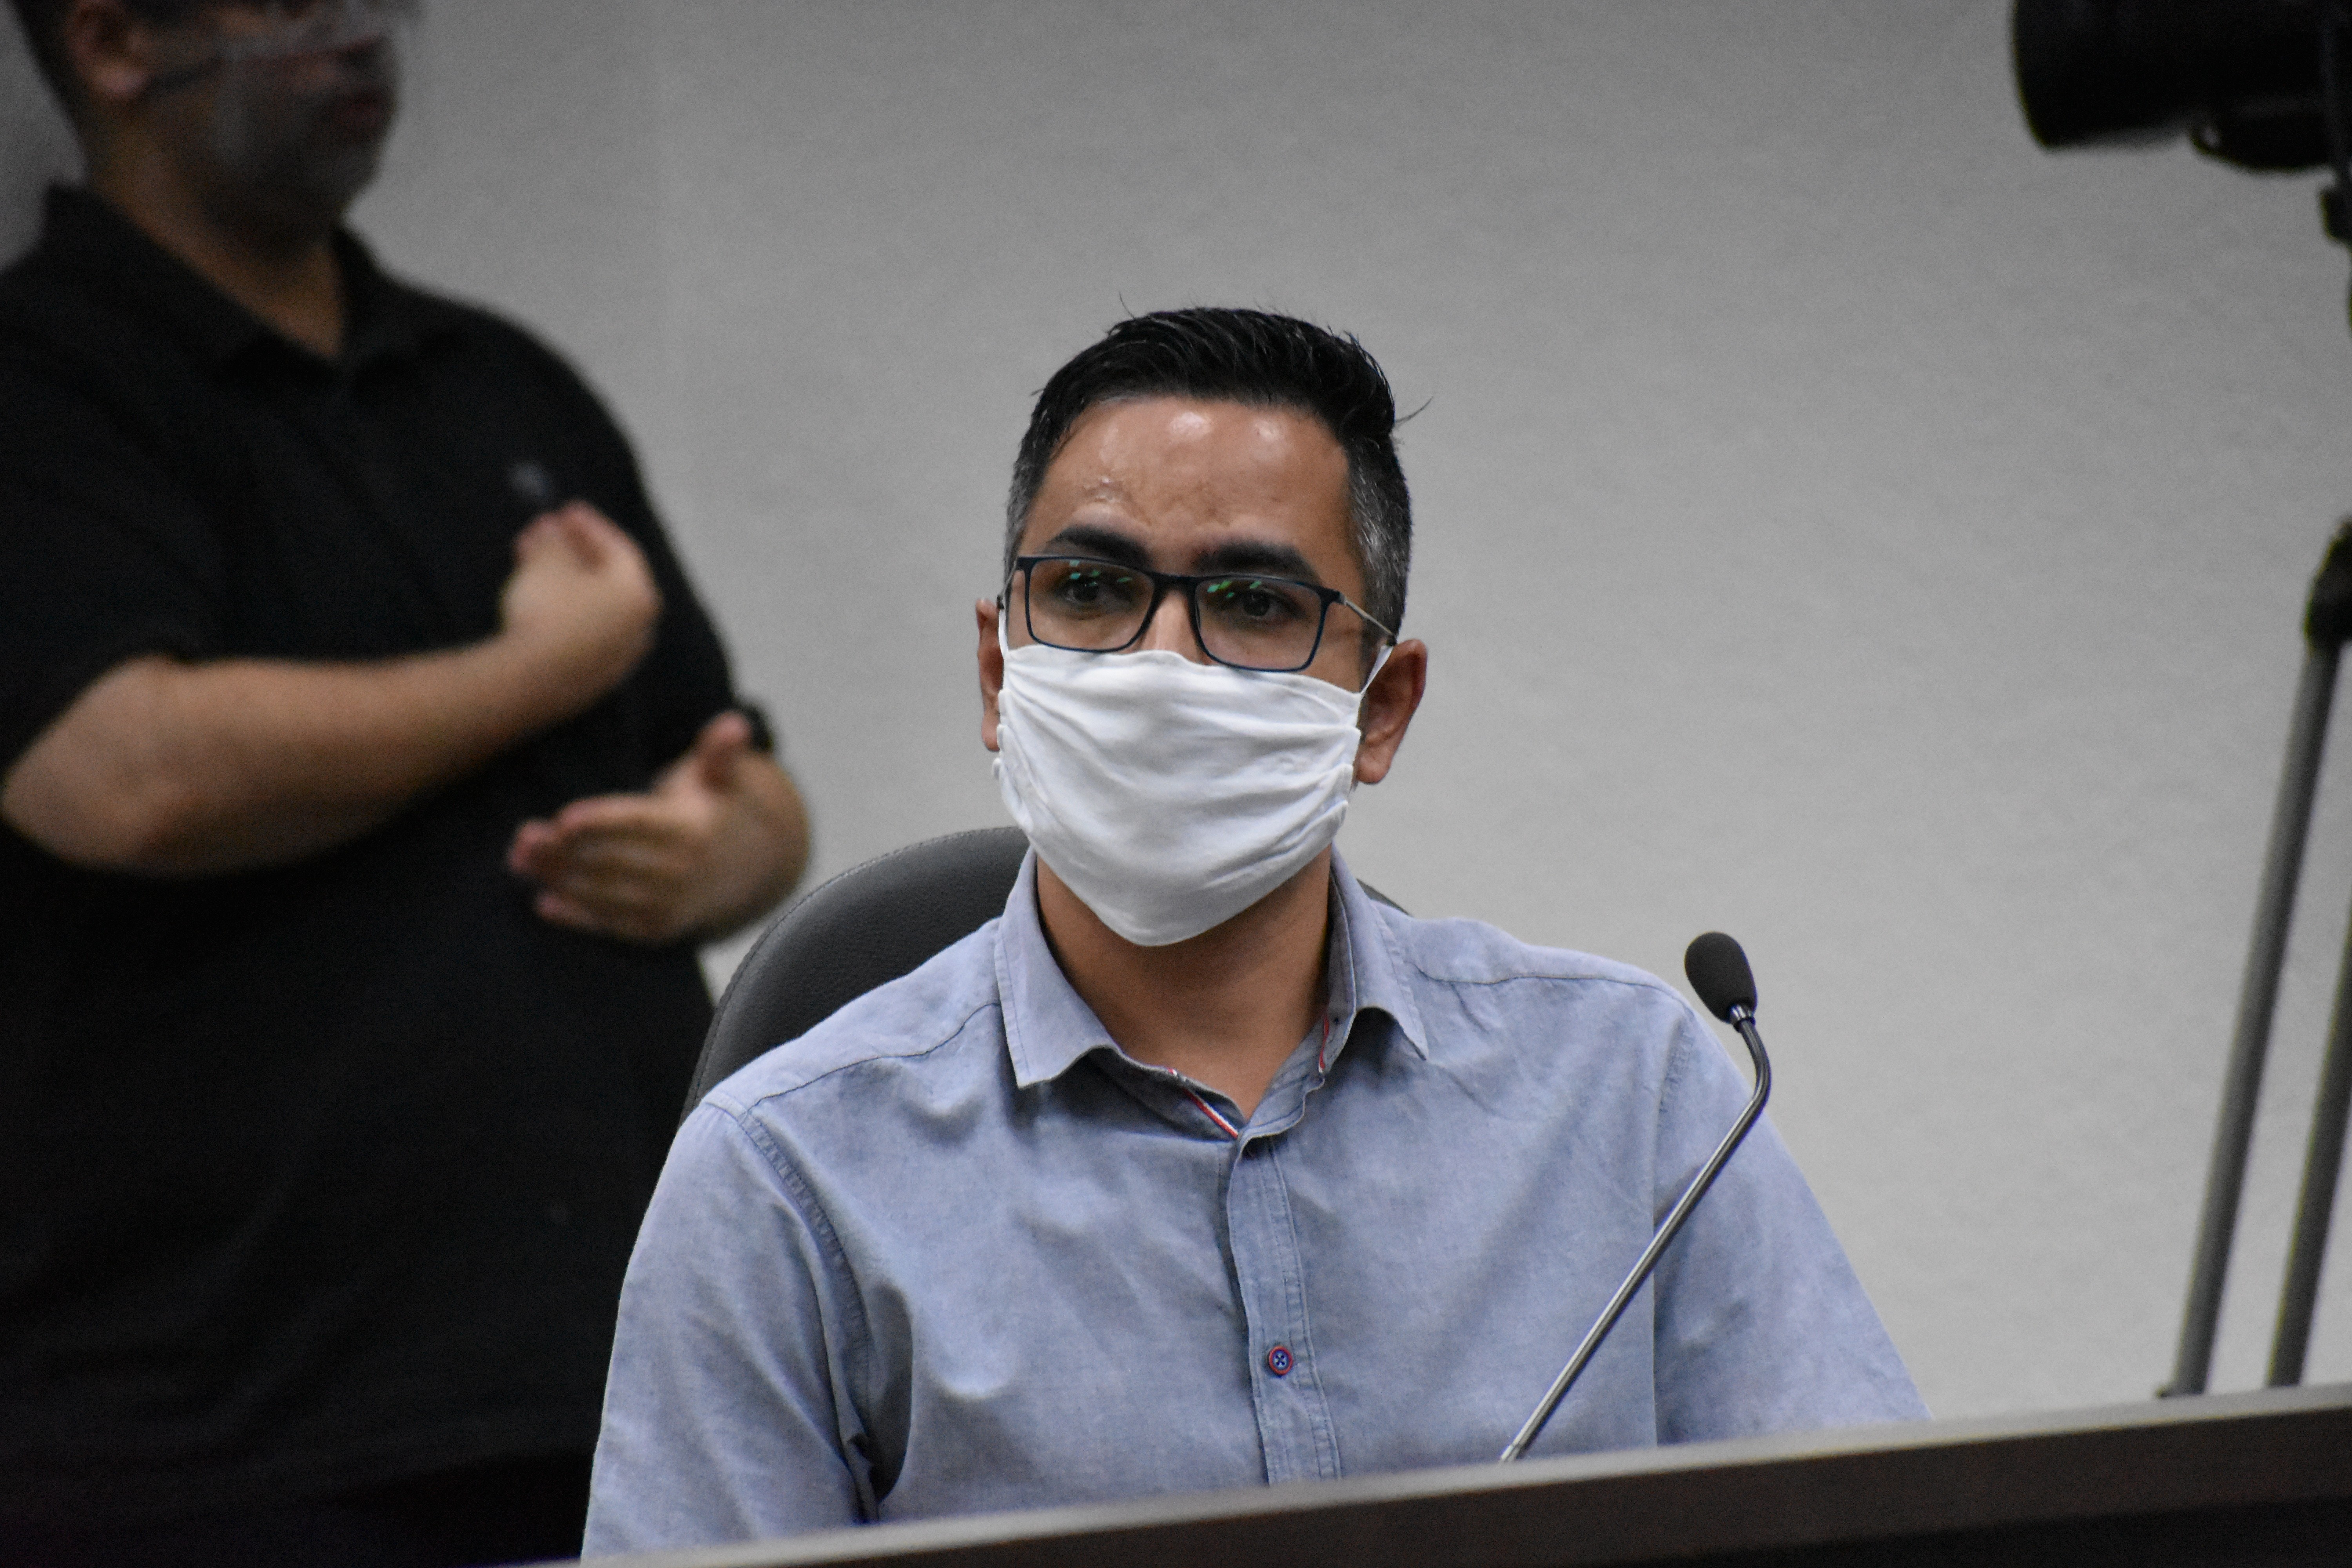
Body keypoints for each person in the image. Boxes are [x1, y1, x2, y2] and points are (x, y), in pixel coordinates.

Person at [581, 307, 1925, 1554]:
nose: (1161, 663)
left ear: (1381, 710)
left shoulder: (1633, 1095)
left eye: (1255, 604)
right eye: (1092, 588)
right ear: (1000, 671)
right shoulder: (785, 1178)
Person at [0, 1, 809, 1562]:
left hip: (621, 1382)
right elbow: (114, 774)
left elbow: (752, 791)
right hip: (219, 1437)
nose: (366, 33)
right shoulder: (42, 387)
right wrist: (542, 668)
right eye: (298, 0)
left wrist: (714, 853)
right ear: (112, 43)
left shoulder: (501, 382)